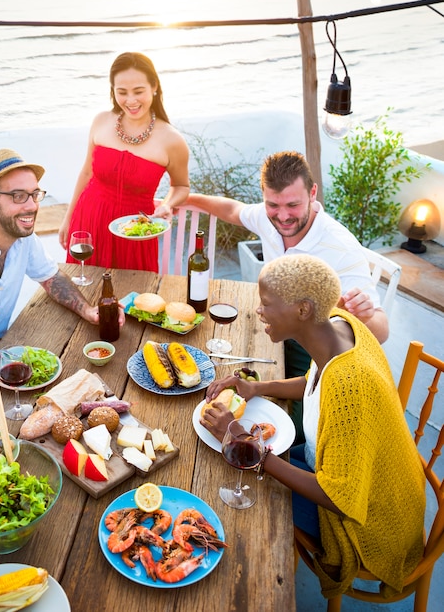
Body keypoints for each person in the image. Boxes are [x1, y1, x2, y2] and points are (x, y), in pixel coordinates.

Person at [201, 254, 425, 599]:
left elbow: (338, 497)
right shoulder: (338, 325)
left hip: (366, 519)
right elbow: (313, 382)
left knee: (245, 498)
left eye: (266, 304)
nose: (259, 311)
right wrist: (258, 388)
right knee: (235, 478)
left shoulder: (350, 384)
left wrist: (245, 444)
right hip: (355, 476)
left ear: (303, 310)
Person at [0, 148, 124, 396]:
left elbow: (51, 277)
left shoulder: (24, 238)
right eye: (18, 196)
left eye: (34, 194)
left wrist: (88, 310)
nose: (31, 206)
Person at [186, 150, 389, 343]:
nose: (282, 217)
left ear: (313, 193)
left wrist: (365, 316)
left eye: (293, 205)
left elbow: (382, 331)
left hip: (312, 347)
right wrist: (183, 198)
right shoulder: (265, 217)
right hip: (272, 330)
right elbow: (233, 210)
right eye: (273, 205)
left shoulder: (342, 249)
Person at [59, 52, 190, 273]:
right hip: (90, 217)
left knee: (134, 298)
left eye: (138, 91)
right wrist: (68, 218)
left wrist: (167, 203)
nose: (131, 101)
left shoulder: (172, 140)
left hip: (135, 231)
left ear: (154, 87)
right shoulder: (101, 121)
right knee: (85, 289)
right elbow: (86, 173)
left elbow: (182, 186)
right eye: (122, 92)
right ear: (113, 91)